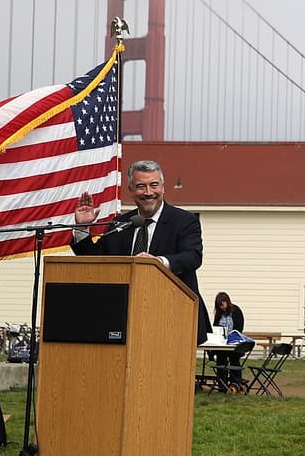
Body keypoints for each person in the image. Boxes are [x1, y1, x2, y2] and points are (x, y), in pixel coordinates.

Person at [72, 159, 209, 344]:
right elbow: (95, 261)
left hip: (174, 317)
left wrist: (157, 263)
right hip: (125, 320)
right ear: (131, 190)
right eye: (141, 187)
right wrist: (82, 228)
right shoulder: (121, 223)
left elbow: (193, 257)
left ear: (163, 187)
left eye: (153, 185)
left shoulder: (184, 221)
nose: (148, 192)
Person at [209, 292, 247, 388]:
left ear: (226, 301)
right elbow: (216, 326)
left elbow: (239, 327)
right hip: (222, 343)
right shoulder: (219, 314)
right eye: (219, 306)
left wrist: (233, 338)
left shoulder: (236, 311)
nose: (222, 307)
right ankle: (222, 385)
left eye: (222, 304)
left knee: (234, 360)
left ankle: (235, 384)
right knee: (221, 359)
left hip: (233, 342)